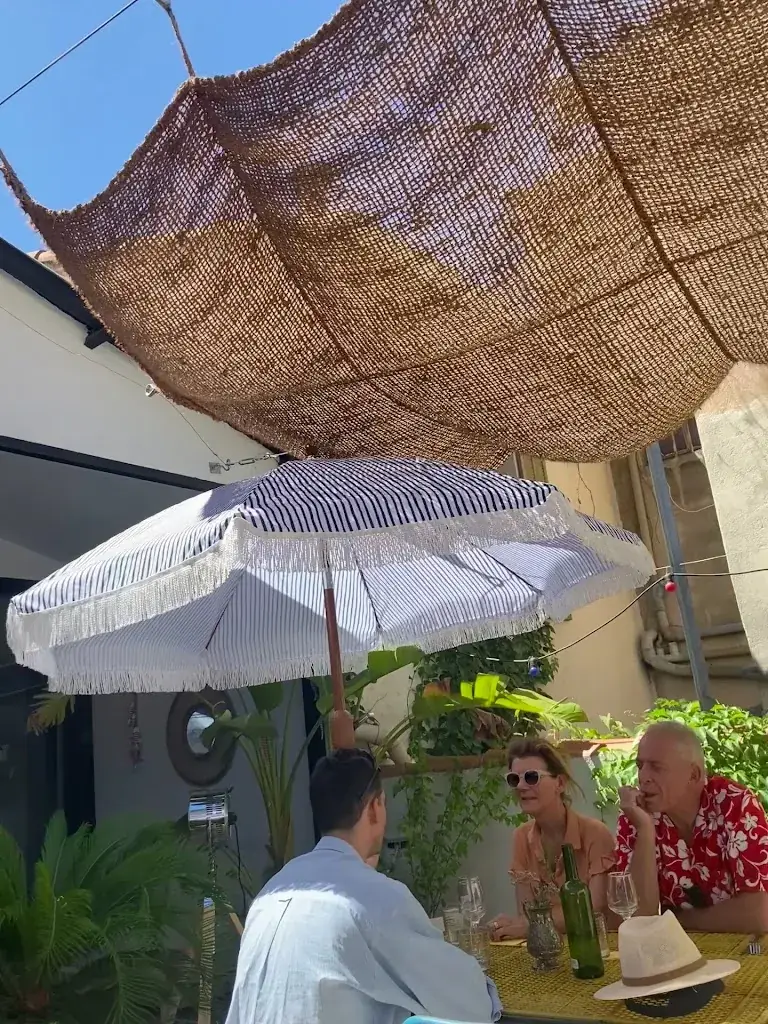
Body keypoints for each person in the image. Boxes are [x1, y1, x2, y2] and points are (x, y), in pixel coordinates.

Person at [226, 748, 502, 1024]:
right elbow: (465, 998)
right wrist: (486, 991)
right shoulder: (372, 899)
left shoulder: (270, 894)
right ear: (374, 808)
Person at [616, 720, 768, 933]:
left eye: (656, 767)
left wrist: (678, 921)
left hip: (748, 948)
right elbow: (636, 917)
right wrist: (645, 831)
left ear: (693, 775)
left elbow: (759, 915)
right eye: (640, 766)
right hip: (675, 948)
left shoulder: (734, 804)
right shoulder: (635, 816)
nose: (643, 777)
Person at [491, 737, 615, 940]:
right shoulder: (521, 837)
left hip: (598, 946)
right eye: (514, 779)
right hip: (548, 946)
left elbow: (593, 909)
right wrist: (513, 926)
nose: (521, 786)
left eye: (531, 777)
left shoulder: (595, 834)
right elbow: (526, 913)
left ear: (560, 783)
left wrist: (532, 924)